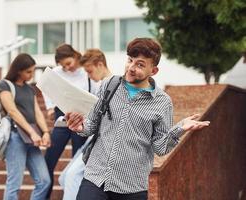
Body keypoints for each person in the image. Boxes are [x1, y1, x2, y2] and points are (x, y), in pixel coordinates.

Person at [65, 38, 210, 200]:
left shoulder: (162, 102)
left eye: (140, 64)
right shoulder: (109, 85)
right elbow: (91, 125)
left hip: (131, 188)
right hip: (95, 179)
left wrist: (180, 129)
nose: (131, 68)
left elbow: (160, 147)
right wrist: (80, 127)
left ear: (153, 71)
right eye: (130, 60)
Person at [43, 44, 98, 199]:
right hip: (62, 117)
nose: (67, 68)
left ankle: (76, 195)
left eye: (68, 63)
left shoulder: (87, 73)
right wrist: (49, 107)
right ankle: (45, 195)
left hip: (82, 119)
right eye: (63, 66)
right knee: (49, 158)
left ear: (75, 56)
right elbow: (46, 88)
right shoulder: (56, 73)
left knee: (76, 161)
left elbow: (94, 97)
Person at [58, 48, 112, 200]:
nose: (88, 75)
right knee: (65, 178)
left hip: (102, 142)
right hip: (92, 139)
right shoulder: (102, 85)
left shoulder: (112, 85)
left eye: (89, 71)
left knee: (71, 176)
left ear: (100, 64)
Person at [0, 53, 51, 200]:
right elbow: (13, 112)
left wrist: (45, 132)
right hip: (15, 137)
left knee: (44, 181)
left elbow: (38, 112)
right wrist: (32, 132)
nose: (32, 75)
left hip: (32, 139)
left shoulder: (30, 89)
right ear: (18, 70)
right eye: (28, 71)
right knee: (14, 184)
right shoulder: (5, 85)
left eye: (33, 71)